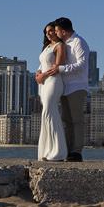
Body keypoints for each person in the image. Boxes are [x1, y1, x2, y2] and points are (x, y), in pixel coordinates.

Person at [37, 17, 89, 162]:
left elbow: (82, 64)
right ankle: (66, 151)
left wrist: (60, 69)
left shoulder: (78, 42)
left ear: (63, 31)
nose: (55, 32)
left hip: (76, 86)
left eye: (57, 30)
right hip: (64, 86)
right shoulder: (62, 44)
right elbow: (49, 61)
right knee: (67, 120)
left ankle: (76, 152)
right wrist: (39, 71)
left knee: (76, 120)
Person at [36, 22, 68, 161]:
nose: (49, 33)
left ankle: (59, 152)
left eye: (51, 31)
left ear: (56, 31)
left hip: (54, 81)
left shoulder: (59, 46)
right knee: (46, 114)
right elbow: (43, 64)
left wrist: (43, 75)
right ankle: (47, 150)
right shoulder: (47, 47)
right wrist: (38, 72)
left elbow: (57, 66)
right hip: (44, 84)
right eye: (46, 32)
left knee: (50, 113)